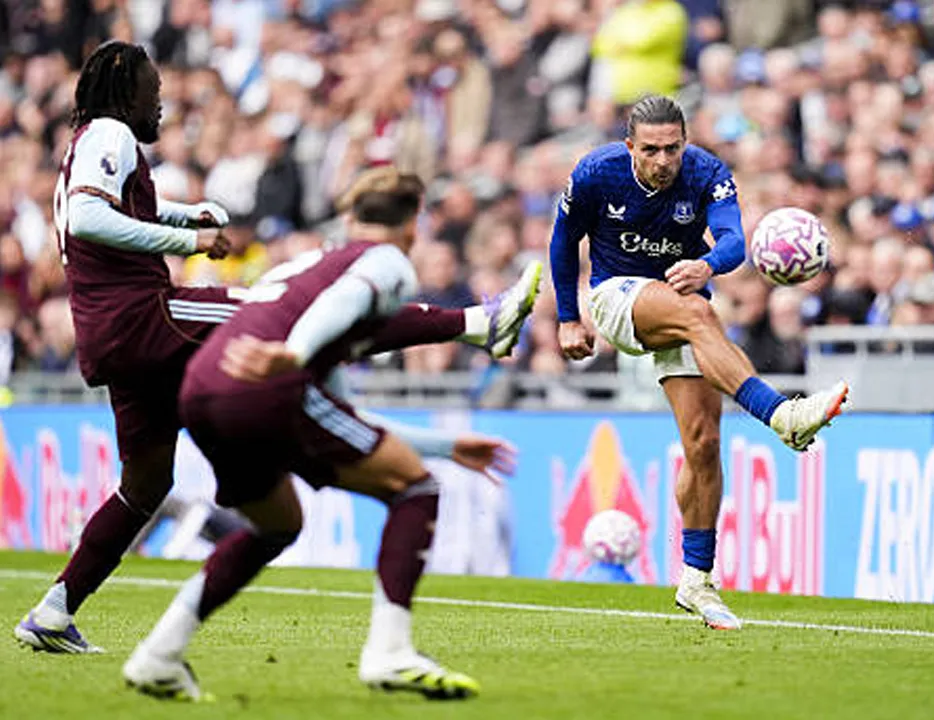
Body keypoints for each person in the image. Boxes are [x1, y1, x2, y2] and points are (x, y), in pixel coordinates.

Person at [15, 42, 539, 655]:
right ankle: (477, 322)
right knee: (283, 309)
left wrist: (183, 216)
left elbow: (110, 210)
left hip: (112, 336)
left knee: (146, 484)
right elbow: (86, 219)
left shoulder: (89, 143)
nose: (160, 104)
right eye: (153, 91)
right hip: (143, 317)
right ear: (125, 90)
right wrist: (186, 243)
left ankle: (55, 610)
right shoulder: (111, 133)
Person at [123, 169, 525, 701]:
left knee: (277, 526)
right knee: (416, 487)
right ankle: (390, 651)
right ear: (413, 225)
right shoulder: (383, 262)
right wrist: (294, 355)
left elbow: (342, 415)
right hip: (266, 382)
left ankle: (158, 655)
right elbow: (350, 299)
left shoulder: (306, 265)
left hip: (203, 388)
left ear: (351, 217)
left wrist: (447, 447)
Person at [550, 95, 849, 630]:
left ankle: (696, 579)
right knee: (697, 313)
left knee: (704, 442)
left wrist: (707, 264)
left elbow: (734, 241)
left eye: (672, 148)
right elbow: (563, 239)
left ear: (685, 143)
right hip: (616, 296)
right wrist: (570, 318)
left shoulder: (707, 172)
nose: (663, 160)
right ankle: (782, 414)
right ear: (630, 146)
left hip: (684, 300)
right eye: (651, 150)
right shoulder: (597, 171)